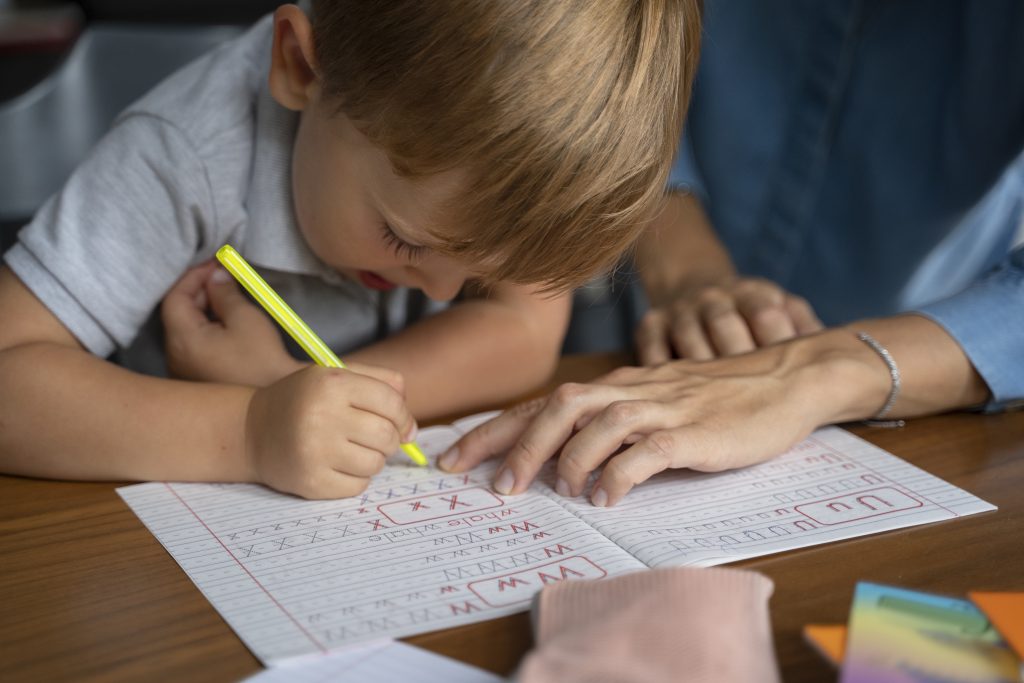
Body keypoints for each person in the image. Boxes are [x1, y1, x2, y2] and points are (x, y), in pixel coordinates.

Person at [0, 1, 702, 499]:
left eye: (484, 272)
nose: (441, 294)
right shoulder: (181, 156)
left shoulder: (457, 172)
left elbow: (523, 328)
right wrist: (248, 428)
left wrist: (290, 387)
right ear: (300, 67)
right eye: (404, 239)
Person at [438, 0, 1024, 507]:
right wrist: (687, 267)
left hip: (935, 393)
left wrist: (811, 373)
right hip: (637, 327)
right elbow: (579, 66)